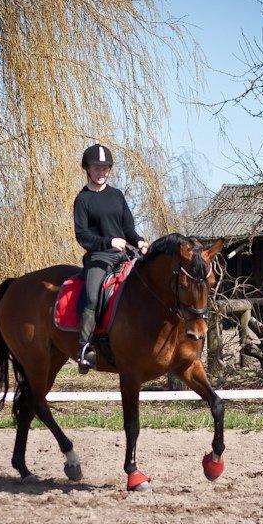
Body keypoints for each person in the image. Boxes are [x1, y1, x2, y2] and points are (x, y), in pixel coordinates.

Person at [73, 144, 148, 373]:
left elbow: (127, 227)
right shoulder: (83, 199)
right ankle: (85, 348)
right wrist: (107, 242)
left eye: (106, 168)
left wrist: (140, 241)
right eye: (97, 168)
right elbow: (82, 235)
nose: (102, 172)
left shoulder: (117, 195)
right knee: (93, 295)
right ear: (87, 169)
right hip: (98, 257)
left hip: (123, 255)